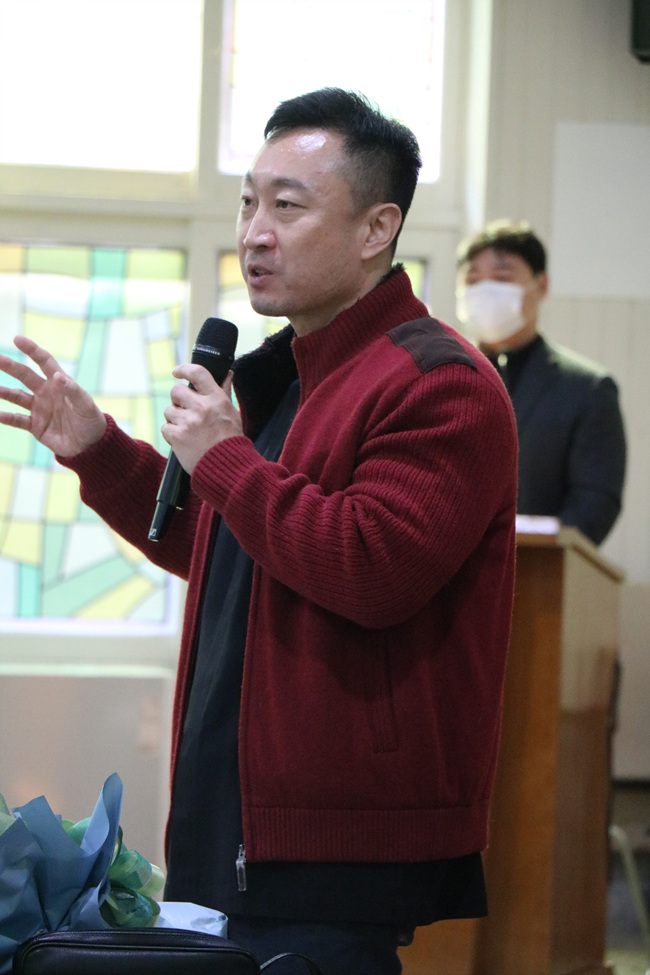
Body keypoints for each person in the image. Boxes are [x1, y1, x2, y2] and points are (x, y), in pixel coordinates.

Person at [0, 89, 518, 975]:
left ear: (377, 228)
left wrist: (225, 456)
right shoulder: (294, 377)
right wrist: (99, 450)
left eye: (288, 205)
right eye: (248, 203)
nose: (255, 233)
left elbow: (369, 566)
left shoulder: (438, 381)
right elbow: (236, 549)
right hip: (237, 817)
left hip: (336, 838)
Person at [455, 219, 626, 546]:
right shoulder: (437, 378)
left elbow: (594, 505)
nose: (485, 291)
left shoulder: (587, 389)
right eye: (473, 280)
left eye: (502, 278)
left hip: (535, 568)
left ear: (541, 285)